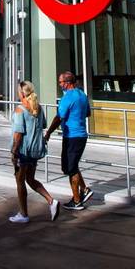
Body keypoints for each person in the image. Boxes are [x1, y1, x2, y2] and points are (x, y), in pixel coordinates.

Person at [9, 80, 59, 224]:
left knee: (20, 181)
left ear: (22, 93)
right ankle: (51, 201)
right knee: (30, 179)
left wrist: (14, 151)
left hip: (23, 150)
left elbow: (18, 133)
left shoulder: (20, 109)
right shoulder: (38, 108)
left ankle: (23, 214)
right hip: (35, 149)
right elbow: (42, 125)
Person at [44, 71, 93, 211]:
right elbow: (88, 113)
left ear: (67, 82)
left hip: (72, 136)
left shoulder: (67, 98)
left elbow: (59, 117)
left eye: (60, 82)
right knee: (71, 165)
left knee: (70, 168)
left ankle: (77, 200)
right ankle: (84, 190)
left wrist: (48, 133)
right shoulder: (82, 95)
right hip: (80, 135)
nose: (59, 85)